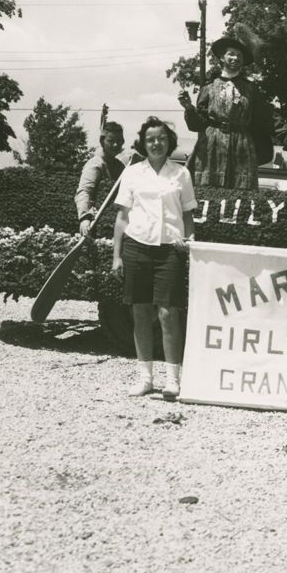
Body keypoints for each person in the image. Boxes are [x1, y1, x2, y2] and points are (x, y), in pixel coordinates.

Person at [111, 117, 197, 400]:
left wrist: (189, 240)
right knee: (141, 314)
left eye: (161, 138)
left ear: (169, 142)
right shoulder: (133, 173)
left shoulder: (181, 174)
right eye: (150, 139)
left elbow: (187, 215)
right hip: (137, 248)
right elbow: (122, 217)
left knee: (168, 314)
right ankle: (145, 378)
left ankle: (173, 380)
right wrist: (117, 257)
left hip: (170, 250)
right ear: (143, 143)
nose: (156, 143)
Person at [179, 28, 274, 190]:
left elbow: (267, 116)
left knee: (241, 193)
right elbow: (198, 124)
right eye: (231, 54)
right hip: (211, 146)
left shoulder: (251, 89)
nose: (235, 58)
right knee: (208, 191)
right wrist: (189, 107)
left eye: (239, 55)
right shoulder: (208, 88)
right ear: (222, 58)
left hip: (241, 146)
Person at [76, 120, 141, 236]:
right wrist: (84, 217)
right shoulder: (95, 164)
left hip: (117, 225)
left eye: (119, 141)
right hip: (97, 225)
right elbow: (84, 191)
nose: (116, 145)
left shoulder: (119, 165)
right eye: (111, 141)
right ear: (102, 141)